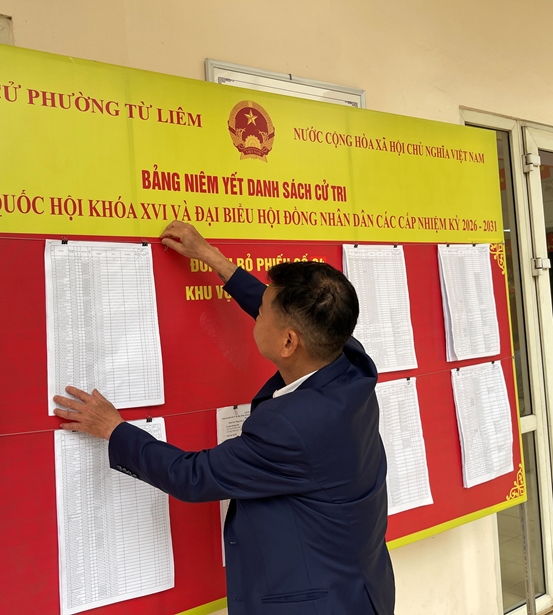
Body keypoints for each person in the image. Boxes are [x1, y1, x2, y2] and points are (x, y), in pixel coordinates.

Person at [53, 221, 395, 615]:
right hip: (361, 586)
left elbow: (192, 476)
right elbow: (287, 315)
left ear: (288, 342)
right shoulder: (349, 361)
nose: (257, 313)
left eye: (262, 312)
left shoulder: (293, 426)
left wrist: (113, 429)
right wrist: (213, 258)